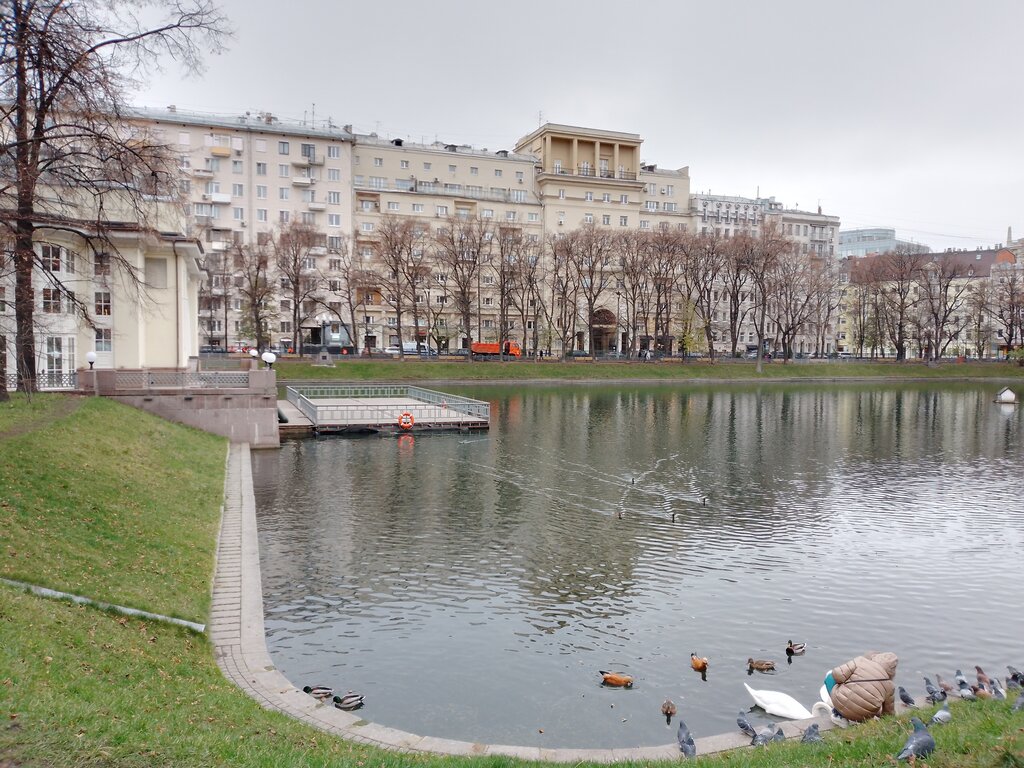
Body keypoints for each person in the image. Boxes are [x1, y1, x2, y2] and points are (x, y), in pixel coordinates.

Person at [824, 651, 898, 722]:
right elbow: (888, 713)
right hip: (863, 717)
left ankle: (838, 714)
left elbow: (836, 674)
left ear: (876, 657)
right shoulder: (889, 685)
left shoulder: (861, 661)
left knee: (830, 677)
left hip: (840, 703)